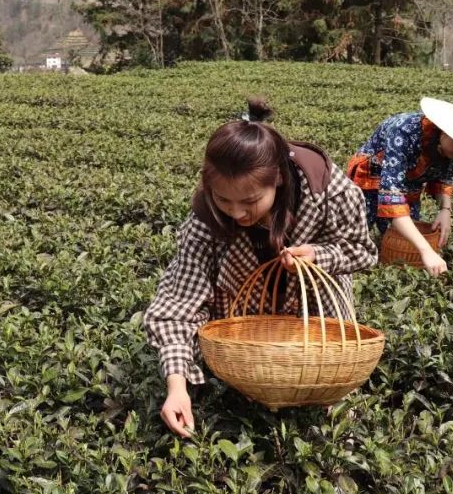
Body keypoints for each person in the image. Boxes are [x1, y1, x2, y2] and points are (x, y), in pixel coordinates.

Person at [144, 99, 377, 438]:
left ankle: (327, 399)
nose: (237, 213)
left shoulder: (327, 190)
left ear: (278, 179)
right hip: (245, 315)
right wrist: (176, 387)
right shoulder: (205, 220)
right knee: (233, 382)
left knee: (318, 387)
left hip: (315, 312)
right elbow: (177, 306)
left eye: (250, 201)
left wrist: (318, 255)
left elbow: (362, 251)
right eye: (224, 200)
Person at [347, 91, 453, 276]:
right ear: (446, 129)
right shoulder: (404, 131)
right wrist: (426, 250)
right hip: (371, 177)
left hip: (410, 183)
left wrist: (446, 210)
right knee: (357, 236)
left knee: (404, 240)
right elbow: (391, 198)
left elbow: (444, 178)